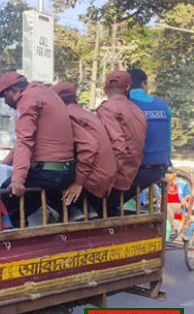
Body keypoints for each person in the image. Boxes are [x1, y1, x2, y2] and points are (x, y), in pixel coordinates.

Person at [0, 72, 74, 225]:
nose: (6, 103)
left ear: (13, 90)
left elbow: (24, 140)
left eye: (5, 97)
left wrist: (17, 181)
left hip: (47, 172)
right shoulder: (46, 93)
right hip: (65, 171)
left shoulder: (26, 99)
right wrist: (5, 163)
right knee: (28, 202)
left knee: (3, 198)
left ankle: (16, 243)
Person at [52, 82, 117, 218]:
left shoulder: (65, 116)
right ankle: (84, 209)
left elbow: (88, 147)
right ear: (76, 99)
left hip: (93, 176)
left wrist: (78, 183)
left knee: (48, 175)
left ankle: (73, 210)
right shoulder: (88, 114)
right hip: (107, 176)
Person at [96, 70, 147, 216]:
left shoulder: (106, 109)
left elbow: (118, 147)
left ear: (105, 87)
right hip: (131, 176)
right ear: (127, 88)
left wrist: (109, 181)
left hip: (115, 179)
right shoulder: (138, 111)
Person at [127, 68, 172, 194]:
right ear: (143, 84)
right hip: (157, 169)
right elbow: (167, 141)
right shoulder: (163, 106)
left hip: (131, 171)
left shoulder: (124, 104)